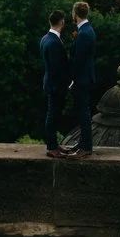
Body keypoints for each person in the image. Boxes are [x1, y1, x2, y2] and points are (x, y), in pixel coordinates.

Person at [68, 1, 96, 159]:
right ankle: (82, 142)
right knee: (81, 112)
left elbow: (78, 61)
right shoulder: (86, 30)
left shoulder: (84, 33)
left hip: (82, 79)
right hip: (84, 77)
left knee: (83, 112)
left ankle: (86, 147)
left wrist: (70, 79)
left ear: (75, 14)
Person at [40, 10, 70, 158]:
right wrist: (66, 84)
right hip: (55, 86)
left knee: (53, 115)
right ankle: (52, 147)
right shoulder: (53, 42)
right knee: (53, 115)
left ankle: (54, 145)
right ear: (62, 22)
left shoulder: (45, 38)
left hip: (50, 83)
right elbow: (57, 68)